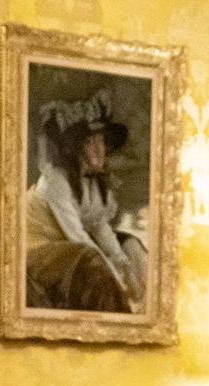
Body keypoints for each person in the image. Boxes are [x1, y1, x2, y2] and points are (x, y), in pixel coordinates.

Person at [23, 90, 148, 314]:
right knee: (89, 258)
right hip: (37, 249)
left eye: (101, 141)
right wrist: (117, 279)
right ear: (75, 148)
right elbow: (78, 237)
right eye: (91, 143)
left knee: (131, 244)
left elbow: (99, 225)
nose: (100, 149)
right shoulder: (56, 181)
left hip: (68, 242)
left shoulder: (93, 183)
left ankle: (144, 305)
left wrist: (122, 262)